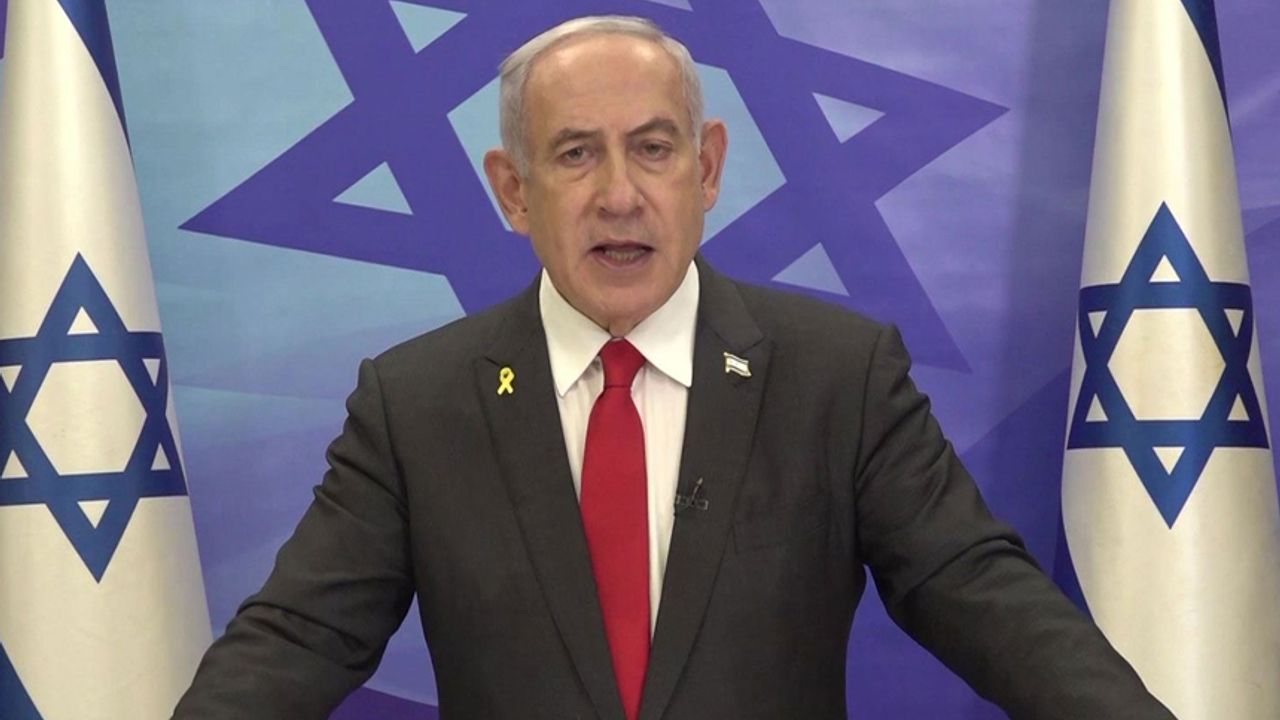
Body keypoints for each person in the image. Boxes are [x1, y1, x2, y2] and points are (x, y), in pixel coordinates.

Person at [173, 15, 1175, 720]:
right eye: (575, 155)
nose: (620, 196)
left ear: (706, 170)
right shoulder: (417, 406)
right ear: (512, 191)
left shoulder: (837, 378)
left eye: (652, 150)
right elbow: (294, 642)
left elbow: (981, 596)